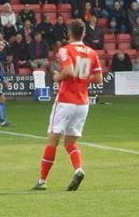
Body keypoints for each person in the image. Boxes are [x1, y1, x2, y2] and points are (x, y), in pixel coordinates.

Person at [33, 19, 102, 191]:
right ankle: (78, 170)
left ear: (69, 33)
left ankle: (42, 181)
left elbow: (69, 71)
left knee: (53, 139)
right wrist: (83, 78)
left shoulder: (65, 50)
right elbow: (98, 79)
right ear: (84, 33)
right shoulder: (92, 52)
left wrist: (58, 77)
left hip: (66, 100)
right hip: (83, 103)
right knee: (70, 142)